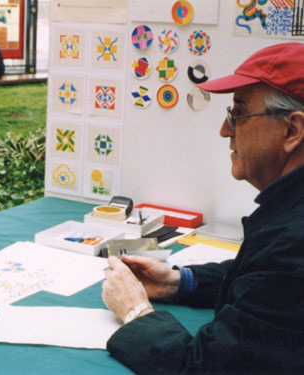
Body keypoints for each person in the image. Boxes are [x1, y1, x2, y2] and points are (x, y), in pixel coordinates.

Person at [102, 42, 304, 374]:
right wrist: (179, 281)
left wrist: (135, 310)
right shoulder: (289, 214)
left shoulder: (293, 244)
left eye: (238, 113)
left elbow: (203, 366)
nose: (225, 130)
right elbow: (259, 280)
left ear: (292, 130)